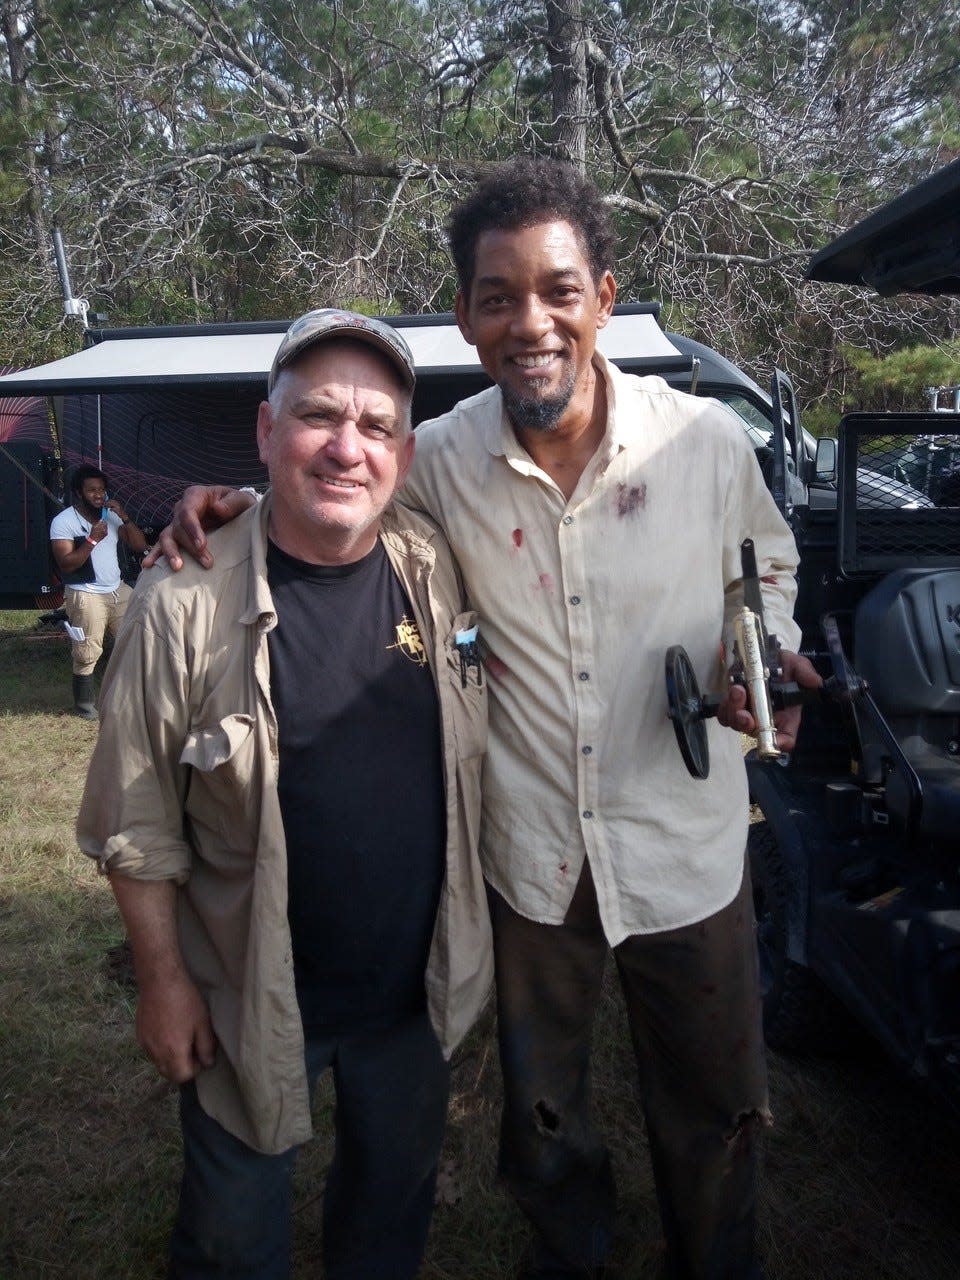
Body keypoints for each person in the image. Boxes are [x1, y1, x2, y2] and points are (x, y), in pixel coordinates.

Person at [150, 160, 821, 1280]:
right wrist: (233, 505)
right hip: (527, 860)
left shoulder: (704, 444)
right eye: (497, 296)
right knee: (548, 1122)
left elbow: (770, 567)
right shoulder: (442, 461)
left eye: (558, 290)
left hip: (685, 850)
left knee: (713, 1113)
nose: (530, 323)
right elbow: (336, 492)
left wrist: (759, 649)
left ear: (605, 295)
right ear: (464, 316)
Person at [76, 309, 493, 1280]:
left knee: (391, 1212)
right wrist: (165, 982)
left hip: (414, 991)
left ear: (406, 451)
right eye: (316, 416)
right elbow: (133, 823)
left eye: (376, 426)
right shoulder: (180, 598)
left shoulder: (437, 566)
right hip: (246, 988)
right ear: (266, 433)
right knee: (231, 1237)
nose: (347, 446)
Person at [49, 464, 146, 717]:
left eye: (102, 489)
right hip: (86, 592)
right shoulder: (64, 521)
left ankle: (133, 697)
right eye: (92, 490)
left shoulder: (110, 516)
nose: (99, 495)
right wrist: (92, 540)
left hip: (117, 590)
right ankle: (84, 705)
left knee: (137, 639)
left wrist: (124, 516)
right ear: (78, 493)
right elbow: (66, 563)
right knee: (87, 650)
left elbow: (139, 545)